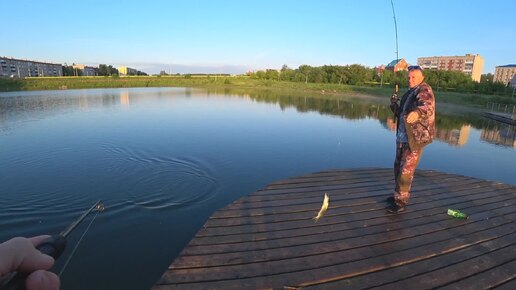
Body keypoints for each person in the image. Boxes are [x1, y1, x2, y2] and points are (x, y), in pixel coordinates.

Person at [387, 65, 435, 213]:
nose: (410, 79)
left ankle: (401, 202)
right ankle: (398, 195)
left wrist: (417, 112)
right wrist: (395, 106)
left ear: (422, 78)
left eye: (414, 77)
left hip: (415, 138)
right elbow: (402, 113)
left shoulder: (424, 90)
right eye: (408, 77)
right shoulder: (410, 92)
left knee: (406, 171)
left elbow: (427, 106)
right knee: (398, 167)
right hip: (402, 137)